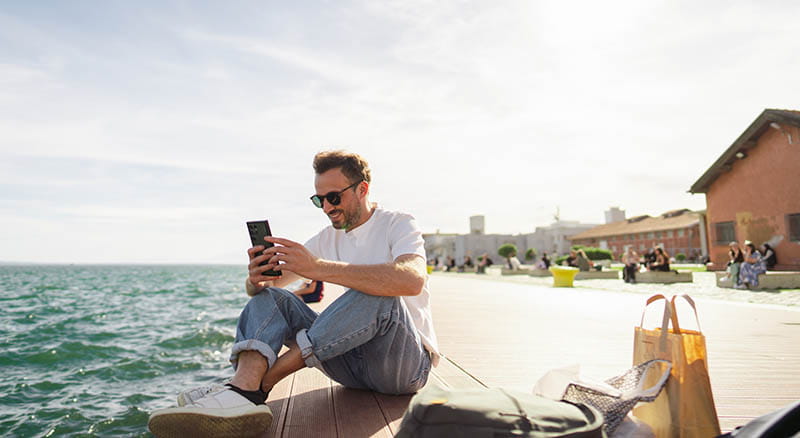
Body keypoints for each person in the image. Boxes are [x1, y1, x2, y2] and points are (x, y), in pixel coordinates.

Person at [148, 151, 439, 437]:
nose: (326, 207)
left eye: (333, 197)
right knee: (272, 300)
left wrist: (319, 268)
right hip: (352, 369)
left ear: (362, 189)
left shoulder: (398, 223)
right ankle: (242, 387)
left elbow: (412, 280)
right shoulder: (327, 237)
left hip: (403, 368)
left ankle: (253, 388)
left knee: (378, 294)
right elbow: (270, 288)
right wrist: (257, 279)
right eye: (319, 200)